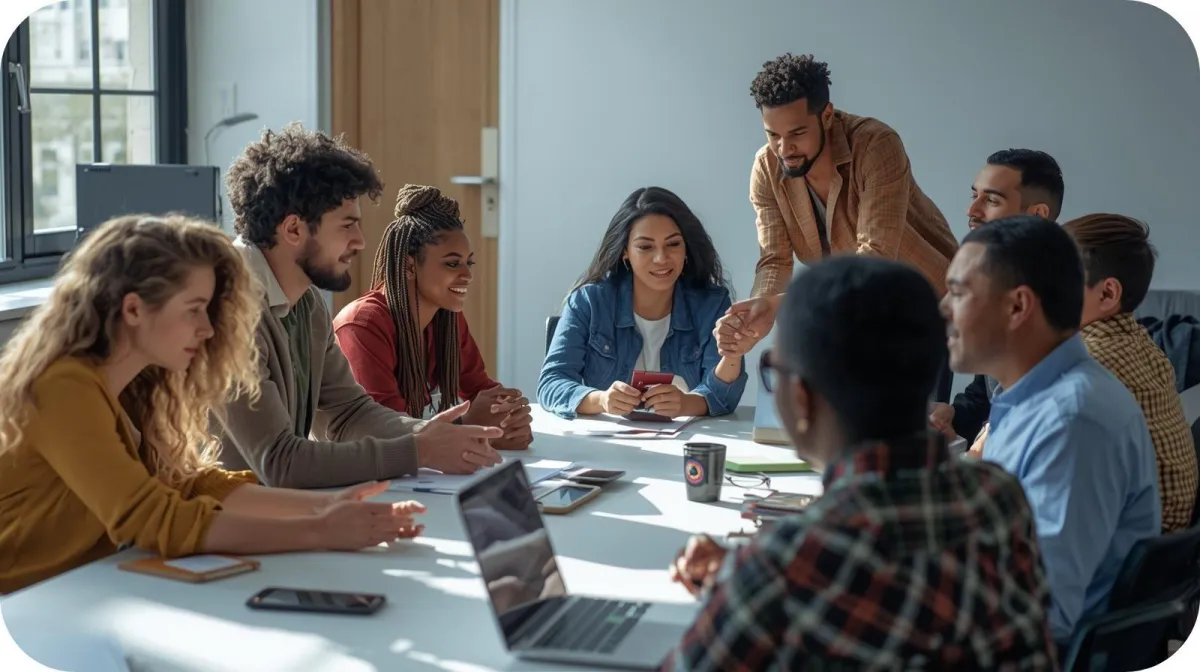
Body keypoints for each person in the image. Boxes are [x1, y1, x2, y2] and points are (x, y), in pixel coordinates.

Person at [663, 256, 1057, 669]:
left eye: (772, 368)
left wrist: (745, 582)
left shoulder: (789, 567)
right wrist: (747, 577)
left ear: (799, 398)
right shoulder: (1000, 498)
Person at [0, 215, 426, 594]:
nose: (206, 329)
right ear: (133, 309)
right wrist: (319, 531)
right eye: (194, 310)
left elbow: (188, 482)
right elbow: (152, 518)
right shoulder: (62, 387)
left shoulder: (137, 382)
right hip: (30, 604)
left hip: (87, 591)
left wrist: (330, 505)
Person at [215, 124, 502, 489]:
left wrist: (435, 434)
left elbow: (349, 411)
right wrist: (419, 451)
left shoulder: (305, 302)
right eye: (347, 225)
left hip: (274, 514)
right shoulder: (228, 307)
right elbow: (280, 462)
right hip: (227, 528)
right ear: (293, 229)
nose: (361, 241)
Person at [941, 214, 1160, 645]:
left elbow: (1042, 611)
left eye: (958, 293)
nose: (943, 309)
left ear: (1018, 306)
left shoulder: (1072, 422)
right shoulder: (1028, 397)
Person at [713, 54, 958, 376]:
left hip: (923, 310)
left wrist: (786, 302)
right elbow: (774, 259)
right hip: (852, 319)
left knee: (902, 425)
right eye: (773, 135)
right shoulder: (767, 167)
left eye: (797, 133)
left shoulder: (875, 145)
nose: (784, 149)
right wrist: (757, 311)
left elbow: (875, 256)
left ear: (827, 115)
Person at [334, 185, 532, 450]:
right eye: (452, 263)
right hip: (359, 477)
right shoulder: (363, 324)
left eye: (468, 263)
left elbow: (480, 392)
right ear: (409, 266)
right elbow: (381, 429)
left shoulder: (448, 318)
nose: (467, 275)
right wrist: (468, 426)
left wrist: (509, 420)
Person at [537, 186, 746, 419]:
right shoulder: (589, 302)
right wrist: (602, 400)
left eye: (673, 244)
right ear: (625, 251)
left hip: (689, 442)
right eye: (645, 247)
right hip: (610, 446)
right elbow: (551, 384)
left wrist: (686, 403)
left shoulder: (712, 304)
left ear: (686, 247)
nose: (661, 258)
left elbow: (724, 396)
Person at [1063, 213, 1196, 532]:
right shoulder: (1139, 341)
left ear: (1107, 294)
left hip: (1126, 546)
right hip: (1163, 544)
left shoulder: (1089, 362)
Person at [930, 149, 1065, 443]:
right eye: (974, 196)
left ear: (1038, 215)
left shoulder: (1062, 298)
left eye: (991, 200)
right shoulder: (1002, 279)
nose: (972, 211)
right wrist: (955, 415)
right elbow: (987, 392)